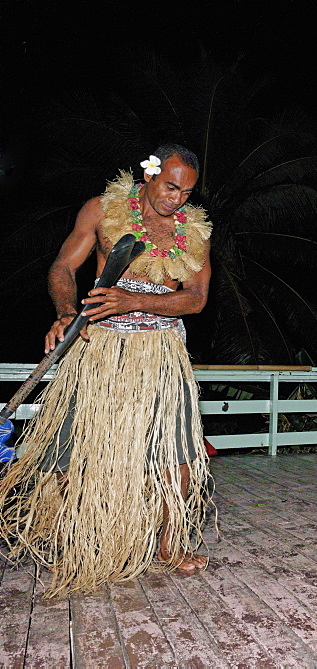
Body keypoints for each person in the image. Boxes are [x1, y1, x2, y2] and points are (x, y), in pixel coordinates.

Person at [0, 144, 213, 596]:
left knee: (176, 451)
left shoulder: (195, 231)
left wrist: (134, 299)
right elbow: (64, 266)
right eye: (170, 187)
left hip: (160, 350)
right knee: (70, 445)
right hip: (99, 347)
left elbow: (195, 298)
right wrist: (63, 312)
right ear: (150, 174)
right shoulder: (102, 209)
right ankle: (72, 539)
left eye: (186, 192)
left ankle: (169, 544)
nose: (176, 199)